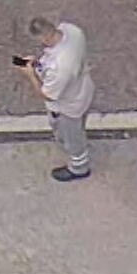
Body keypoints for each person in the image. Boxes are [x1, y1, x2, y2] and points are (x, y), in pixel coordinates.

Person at [19, 17, 95, 182]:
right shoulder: (72, 31)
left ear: (45, 37)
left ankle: (79, 167)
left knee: (71, 138)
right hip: (83, 90)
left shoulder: (60, 67)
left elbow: (47, 94)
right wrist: (39, 64)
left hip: (68, 107)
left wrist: (30, 75)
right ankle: (77, 145)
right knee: (78, 128)